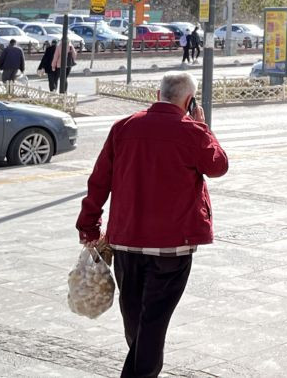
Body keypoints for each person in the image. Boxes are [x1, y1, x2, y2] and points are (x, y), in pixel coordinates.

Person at [76, 72, 228, 378]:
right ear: (189, 100)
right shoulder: (191, 131)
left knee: (137, 320)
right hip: (173, 245)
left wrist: (89, 225)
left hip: (127, 242)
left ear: (158, 93)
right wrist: (204, 127)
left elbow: (99, 181)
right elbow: (218, 166)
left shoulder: (124, 127)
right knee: (153, 323)